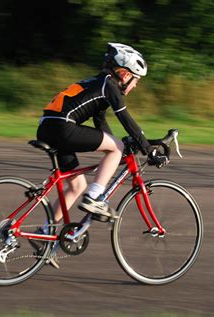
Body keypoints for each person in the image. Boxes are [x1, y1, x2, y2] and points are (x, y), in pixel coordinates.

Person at [36, 42, 168, 230]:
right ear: (125, 74)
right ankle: (94, 197)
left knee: (76, 186)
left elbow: (100, 122)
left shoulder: (97, 83)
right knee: (116, 148)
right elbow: (125, 118)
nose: (136, 85)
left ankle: (45, 232)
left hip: (48, 127)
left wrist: (117, 147)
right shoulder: (109, 86)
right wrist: (149, 150)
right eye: (136, 80)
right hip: (62, 128)